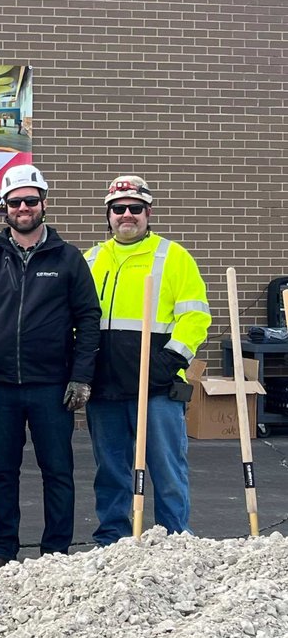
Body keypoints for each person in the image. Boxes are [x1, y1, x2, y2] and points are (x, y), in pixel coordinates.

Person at [0, 165, 100, 570]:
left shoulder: (68, 258)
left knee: (58, 471)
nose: (23, 208)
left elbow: (89, 318)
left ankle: (56, 550)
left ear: (44, 205)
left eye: (30, 201)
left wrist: (81, 376)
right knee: (2, 472)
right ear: (5, 207)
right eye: (15, 201)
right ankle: (4, 548)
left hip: (52, 386)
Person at [84, 175, 211, 545]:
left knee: (167, 469)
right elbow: (77, 320)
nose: (127, 215)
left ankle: (174, 540)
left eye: (135, 208)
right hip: (106, 387)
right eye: (119, 209)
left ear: (148, 212)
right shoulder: (91, 259)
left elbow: (195, 316)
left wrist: (170, 357)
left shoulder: (172, 256)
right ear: (108, 215)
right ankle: (112, 540)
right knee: (110, 470)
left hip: (155, 386)